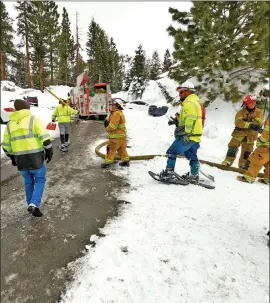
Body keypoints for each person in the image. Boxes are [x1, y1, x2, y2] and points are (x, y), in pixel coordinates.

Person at [2, 99, 53, 217]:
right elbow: (45, 138)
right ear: (27, 108)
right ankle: (34, 204)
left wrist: (12, 157)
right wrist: (49, 151)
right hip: (36, 158)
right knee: (40, 180)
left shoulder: (10, 125)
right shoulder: (33, 120)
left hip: (20, 160)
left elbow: (5, 146)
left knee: (28, 182)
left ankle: (30, 203)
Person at [159, 81, 203, 184]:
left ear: (188, 91)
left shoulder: (189, 103)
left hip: (187, 136)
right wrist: (177, 121)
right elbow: (191, 119)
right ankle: (194, 175)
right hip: (195, 136)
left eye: (181, 92)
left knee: (172, 151)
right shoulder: (195, 103)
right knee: (191, 155)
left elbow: (190, 120)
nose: (180, 94)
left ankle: (169, 173)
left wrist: (187, 134)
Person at [222, 95, 264, 169]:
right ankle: (228, 161)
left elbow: (258, 123)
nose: (253, 104)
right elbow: (238, 122)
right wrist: (251, 124)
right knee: (233, 147)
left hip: (251, 135)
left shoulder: (259, 112)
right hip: (239, 133)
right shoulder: (241, 112)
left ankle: (243, 164)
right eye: (251, 103)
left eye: (254, 103)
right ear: (246, 104)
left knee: (247, 151)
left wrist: (246, 123)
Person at [237, 116, 269, 184]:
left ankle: (249, 177)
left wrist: (260, 140)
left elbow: (266, 135)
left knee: (256, 160)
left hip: (266, 146)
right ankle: (268, 179)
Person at [101, 99, 129, 168]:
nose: (112, 105)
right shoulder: (119, 112)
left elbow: (113, 126)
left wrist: (107, 128)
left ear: (117, 106)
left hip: (116, 137)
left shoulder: (116, 114)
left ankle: (107, 163)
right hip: (122, 137)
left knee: (111, 149)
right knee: (122, 149)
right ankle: (126, 162)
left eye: (113, 104)